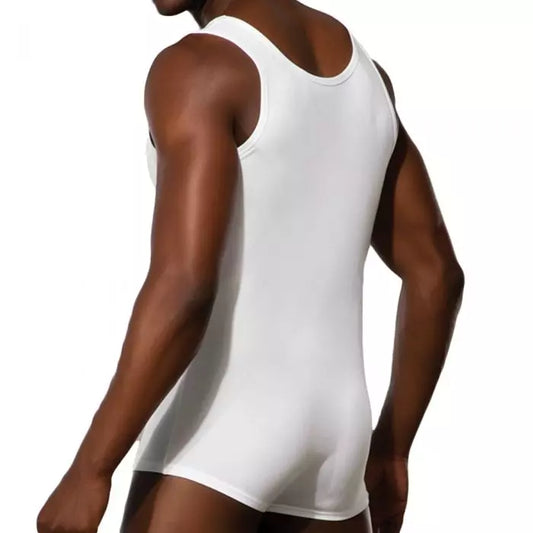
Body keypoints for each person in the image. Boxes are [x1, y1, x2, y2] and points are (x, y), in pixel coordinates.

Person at [36, 0, 465, 532]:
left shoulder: (198, 67)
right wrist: (392, 449)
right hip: (338, 446)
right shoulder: (368, 82)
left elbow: (185, 286)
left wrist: (90, 469)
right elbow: (436, 274)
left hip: (217, 433)